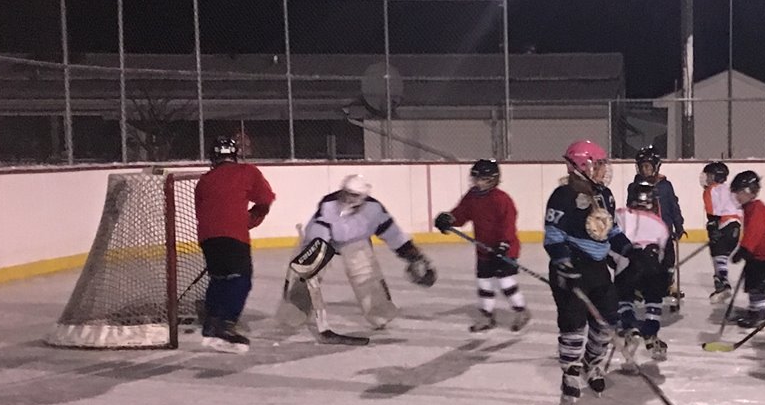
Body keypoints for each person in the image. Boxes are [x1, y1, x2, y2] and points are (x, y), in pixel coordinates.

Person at [288, 177, 436, 332]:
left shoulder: (374, 209)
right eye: (346, 193)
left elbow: (393, 234)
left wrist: (413, 256)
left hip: (354, 242)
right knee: (309, 274)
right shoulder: (329, 204)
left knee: (364, 272)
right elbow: (319, 229)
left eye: (353, 195)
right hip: (324, 240)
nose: (347, 198)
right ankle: (296, 309)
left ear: (363, 197)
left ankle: (379, 312)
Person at [544, 139, 625, 400]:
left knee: (607, 320)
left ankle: (592, 362)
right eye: (600, 164)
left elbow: (611, 230)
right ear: (584, 165)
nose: (604, 169)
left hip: (598, 270)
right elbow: (554, 236)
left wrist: (632, 252)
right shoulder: (563, 195)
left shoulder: (604, 194)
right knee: (573, 325)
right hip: (570, 271)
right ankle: (570, 370)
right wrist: (564, 265)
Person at [191, 132, 275, 352]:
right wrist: (250, 220)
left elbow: (201, 211)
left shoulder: (204, 180)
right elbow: (266, 198)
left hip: (208, 237)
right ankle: (226, 324)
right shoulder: (247, 171)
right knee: (240, 279)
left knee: (218, 278)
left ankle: (211, 321)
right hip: (234, 235)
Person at [436, 158, 527, 331]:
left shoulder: (501, 199)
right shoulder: (472, 196)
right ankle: (487, 316)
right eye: (475, 178)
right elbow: (461, 214)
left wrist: (503, 245)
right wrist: (449, 219)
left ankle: (521, 311)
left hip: (504, 249)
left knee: (505, 282)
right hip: (484, 248)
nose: (478, 183)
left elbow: (508, 224)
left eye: (482, 179)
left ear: (493, 180)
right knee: (484, 283)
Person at [616, 180, 673, 359]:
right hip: (652, 263)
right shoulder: (661, 225)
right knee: (653, 296)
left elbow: (611, 238)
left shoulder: (621, 214)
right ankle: (650, 330)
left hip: (628, 262)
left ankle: (630, 328)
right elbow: (667, 255)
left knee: (624, 295)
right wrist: (667, 274)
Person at [633, 146, 688, 317]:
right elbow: (630, 208)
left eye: (648, 166)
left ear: (656, 167)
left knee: (668, 259)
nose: (645, 170)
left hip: (664, 232)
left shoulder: (665, 186)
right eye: (642, 166)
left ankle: (668, 284)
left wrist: (678, 225)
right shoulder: (634, 187)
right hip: (645, 235)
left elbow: (673, 206)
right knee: (645, 261)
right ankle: (641, 286)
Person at [727, 169, 765, 327]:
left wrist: (744, 250)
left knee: (759, 287)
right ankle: (753, 311)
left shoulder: (757, 208)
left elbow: (755, 233)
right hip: (757, 256)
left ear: (748, 191)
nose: (736, 197)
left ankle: (760, 315)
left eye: (738, 192)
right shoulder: (750, 208)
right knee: (752, 285)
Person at [700, 160, 742, 297]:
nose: (706, 178)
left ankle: (722, 282)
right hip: (736, 227)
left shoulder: (711, 190)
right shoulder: (730, 189)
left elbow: (713, 212)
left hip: (724, 224)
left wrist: (713, 227)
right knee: (721, 256)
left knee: (717, 252)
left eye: (709, 175)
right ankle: (721, 281)